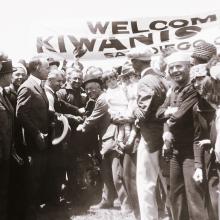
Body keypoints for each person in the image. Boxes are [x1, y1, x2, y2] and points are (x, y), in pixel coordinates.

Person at [156, 52, 209, 220]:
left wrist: (168, 116)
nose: (174, 71)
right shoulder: (173, 90)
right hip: (174, 150)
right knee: (175, 195)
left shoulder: (193, 89)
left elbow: (177, 117)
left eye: (179, 66)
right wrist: (166, 130)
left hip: (192, 150)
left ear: (188, 67)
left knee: (194, 196)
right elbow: (159, 113)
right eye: (171, 68)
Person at [76, 71, 131, 214]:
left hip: (112, 139)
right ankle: (107, 200)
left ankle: (126, 203)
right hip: (106, 139)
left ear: (100, 87)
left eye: (93, 88)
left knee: (116, 173)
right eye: (87, 89)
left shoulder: (103, 99)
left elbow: (93, 118)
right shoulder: (99, 98)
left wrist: (82, 126)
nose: (89, 91)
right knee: (106, 172)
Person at [128, 48, 168, 220]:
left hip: (149, 137)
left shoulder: (145, 81)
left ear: (137, 62)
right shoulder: (162, 78)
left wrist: (132, 106)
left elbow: (142, 113)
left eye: (133, 62)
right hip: (164, 134)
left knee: (146, 183)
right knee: (166, 182)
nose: (132, 65)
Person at [16, 57, 50, 220]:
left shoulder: (38, 85)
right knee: (32, 179)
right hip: (33, 142)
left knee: (38, 177)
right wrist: (36, 133)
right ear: (37, 67)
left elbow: (40, 110)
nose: (48, 71)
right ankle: (30, 214)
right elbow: (21, 113)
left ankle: (34, 211)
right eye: (46, 68)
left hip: (40, 141)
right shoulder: (27, 87)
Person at [5, 62, 28, 220]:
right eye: (17, 74)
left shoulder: (22, 91)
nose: (20, 77)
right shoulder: (7, 93)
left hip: (21, 139)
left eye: (22, 74)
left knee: (21, 176)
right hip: (11, 141)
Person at [0, 57, 15, 220]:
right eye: (10, 74)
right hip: (1, 152)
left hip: (5, 152)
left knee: (3, 191)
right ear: (2, 75)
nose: (12, 77)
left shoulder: (3, 94)